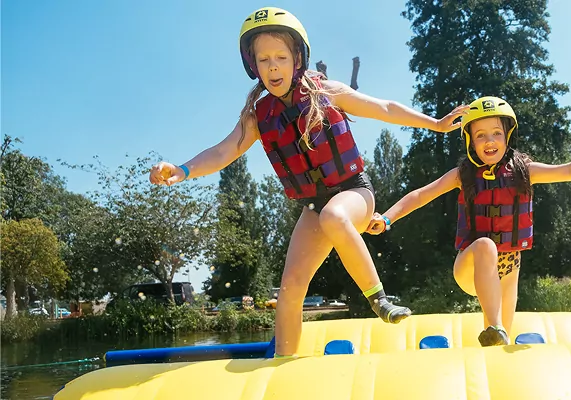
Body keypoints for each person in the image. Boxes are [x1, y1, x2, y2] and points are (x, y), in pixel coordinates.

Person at [148, 7, 468, 357]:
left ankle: (379, 299)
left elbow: (385, 108)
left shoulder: (325, 90)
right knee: (290, 289)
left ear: (297, 58)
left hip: (354, 193)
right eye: (264, 59)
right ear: (252, 65)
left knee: (335, 216)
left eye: (281, 57)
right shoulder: (258, 116)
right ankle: (283, 363)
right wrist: (183, 169)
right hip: (313, 208)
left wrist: (435, 123)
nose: (273, 66)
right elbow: (223, 151)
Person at [367, 96, 571, 346]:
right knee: (486, 245)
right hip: (471, 266)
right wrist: (387, 218)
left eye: (496, 133)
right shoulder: (462, 174)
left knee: (502, 342)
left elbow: (567, 171)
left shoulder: (523, 170)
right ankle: (492, 324)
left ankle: (495, 332)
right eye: (481, 135)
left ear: (507, 136)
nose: (489, 141)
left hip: (509, 269)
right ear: (471, 142)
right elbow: (421, 195)